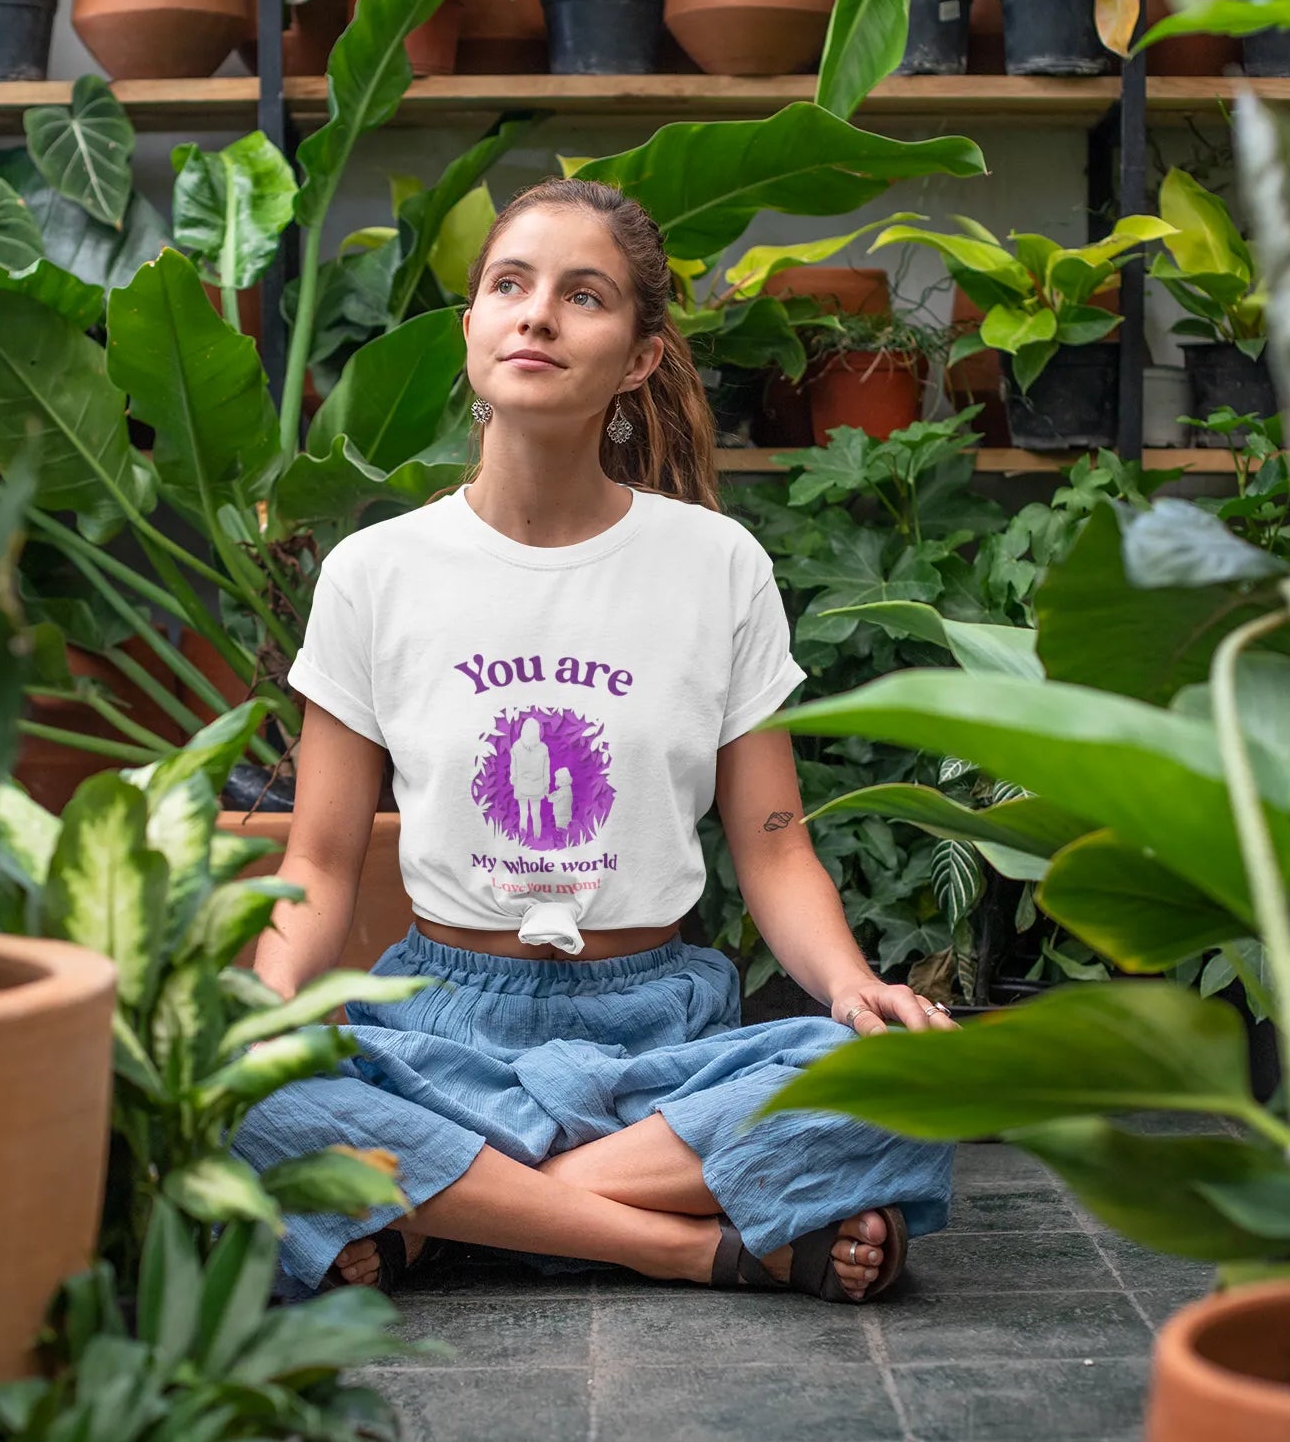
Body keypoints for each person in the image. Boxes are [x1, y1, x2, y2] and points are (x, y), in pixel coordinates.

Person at [235, 176, 957, 1306]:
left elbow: (771, 847)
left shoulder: (716, 567)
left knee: (902, 1076)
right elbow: (319, 860)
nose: (535, 315)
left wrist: (855, 987)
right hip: (438, 1029)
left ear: (637, 359)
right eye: (508, 285)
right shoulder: (374, 574)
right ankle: (686, 1241)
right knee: (248, 1095)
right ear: (470, 324)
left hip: (657, 1026)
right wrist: (268, 1007)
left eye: (583, 296)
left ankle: (447, 1217)